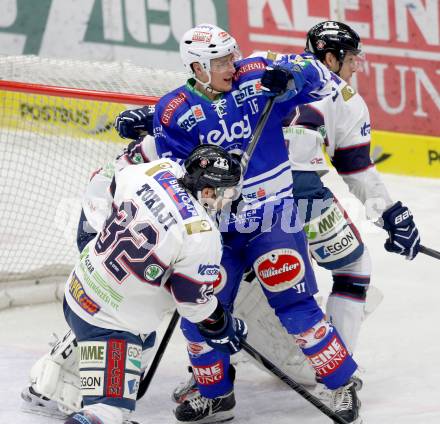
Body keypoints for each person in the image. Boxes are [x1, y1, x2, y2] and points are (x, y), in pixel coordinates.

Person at [150, 23, 362, 424]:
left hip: (274, 217)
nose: (232, 64)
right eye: (221, 60)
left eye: (232, 55)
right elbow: (173, 175)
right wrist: (205, 182)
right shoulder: (173, 111)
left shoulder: (258, 73)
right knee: (200, 308)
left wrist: (294, 77)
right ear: (197, 67)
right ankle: (214, 393)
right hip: (217, 229)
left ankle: (341, 384)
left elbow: (323, 79)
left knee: (295, 303)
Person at [22, 145, 248, 424]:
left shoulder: (158, 170)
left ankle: (64, 370)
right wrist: (224, 326)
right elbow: (193, 305)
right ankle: (103, 404)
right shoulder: (203, 234)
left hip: (79, 287)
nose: (229, 200)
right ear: (208, 190)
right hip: (110, 324)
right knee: (107, 412)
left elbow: (111, 182)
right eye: (227, 192)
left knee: (144, 337)